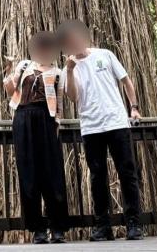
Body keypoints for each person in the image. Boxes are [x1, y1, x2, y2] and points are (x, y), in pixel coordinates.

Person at [57, 20, 144, 241]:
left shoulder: (105, 54)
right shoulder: (68, 67)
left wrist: (134, 108)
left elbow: (126, 81)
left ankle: (134, 223)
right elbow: (74, 97)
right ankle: (103, 226)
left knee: (127, 174)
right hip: (91, 127)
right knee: (97, 177)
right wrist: (68, 70)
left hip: (116, 123)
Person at [3, 31, 70, 244]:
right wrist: (8, 71)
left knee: (52, 173)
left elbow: (59, 102)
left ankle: (57, 227)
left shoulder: (58, 72)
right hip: (22, 118)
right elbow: (11, 90)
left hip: (46, 120)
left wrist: (57, 124)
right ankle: (37, 228)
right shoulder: (24, 66)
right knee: (28, 173)